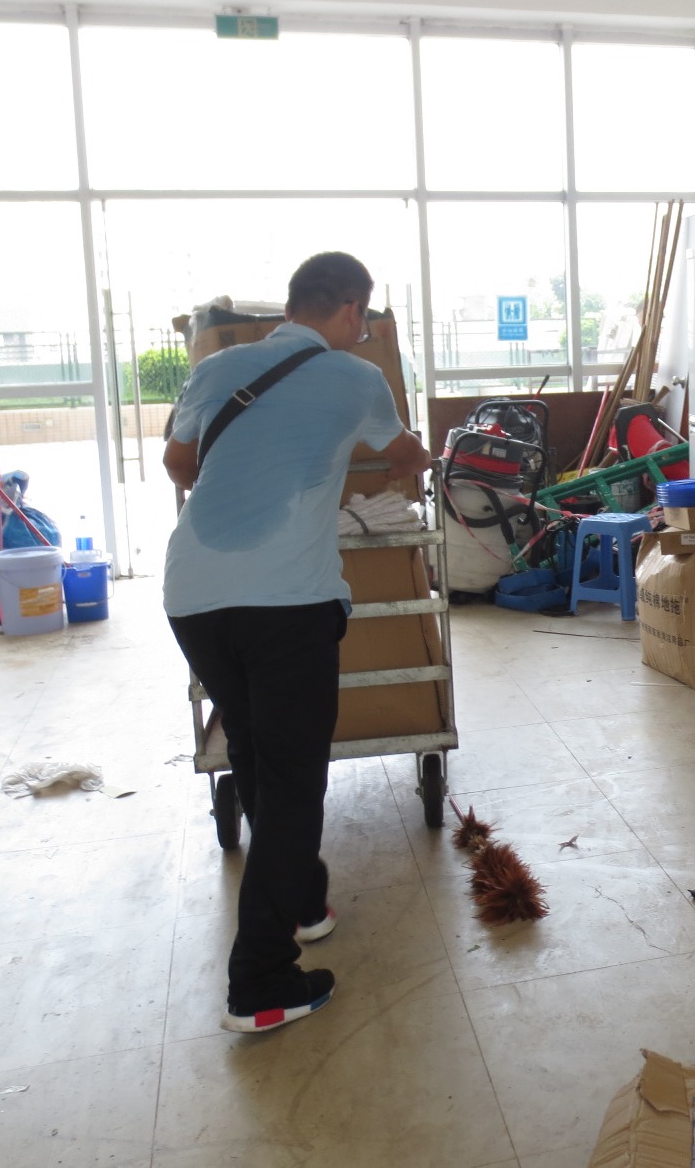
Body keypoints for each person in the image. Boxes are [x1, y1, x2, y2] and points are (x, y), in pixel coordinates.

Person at [163, 252, 429, 1033]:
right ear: (350, 309)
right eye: (364, 319)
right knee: (291, 791)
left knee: (255, 753)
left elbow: (178, 464)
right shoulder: (357, 377)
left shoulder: (220, 368)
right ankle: (260, 983)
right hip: (285, 603)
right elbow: (402, 455)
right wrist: (412, 454)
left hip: (192, 598)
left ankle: (305, 904)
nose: (364, 331)